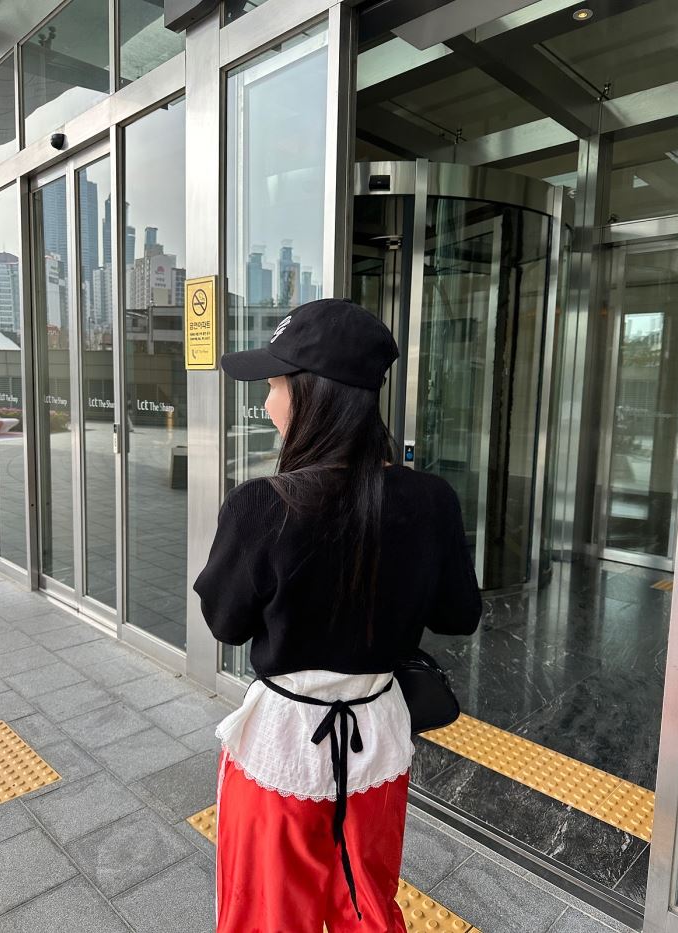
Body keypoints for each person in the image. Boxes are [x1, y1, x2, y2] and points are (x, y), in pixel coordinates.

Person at [193, 298, 482, 932]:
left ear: (312, 395)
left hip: (283, 744)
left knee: (268, 912)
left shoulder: (261, 506)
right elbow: (459, 615)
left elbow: (226, 623)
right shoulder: (432, 500)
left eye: (274, 385)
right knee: (368, 903)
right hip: (378, 736)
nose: (267, 401)